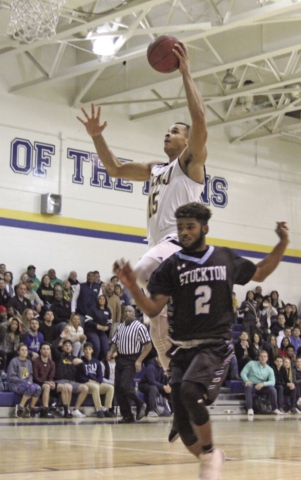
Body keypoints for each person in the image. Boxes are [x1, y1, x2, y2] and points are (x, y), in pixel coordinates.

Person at [114, 202, 289, 479]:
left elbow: (261, 271)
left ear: (204, 228)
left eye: (190, 227)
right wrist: (133, 286)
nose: (184, 232)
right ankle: (212, 456)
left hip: (214, 345)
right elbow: (152, 309)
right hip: (181, 349)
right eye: (180, 227)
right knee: (183, 428)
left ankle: (208, 452)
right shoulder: (171, 266)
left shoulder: (223, 257)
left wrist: (282, 243)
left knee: (190, 392)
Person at [78, 41, 209, 379]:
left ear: (188, 140)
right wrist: (96, 137)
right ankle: (176, 380)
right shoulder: (155, 169)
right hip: (158, 246)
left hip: (178, 245)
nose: (169, 133)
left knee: (140, 270)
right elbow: (116, 169)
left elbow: (199, 118)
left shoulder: (191, 164)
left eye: (176, 131)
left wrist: (186, 73)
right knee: (156, 330)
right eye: (168, 130)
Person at [107, 307, 152, 424]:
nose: (127, 313)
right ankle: (127, 415)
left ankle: (140, 403)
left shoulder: (140, 327)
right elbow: (115, 342)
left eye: (129, 311)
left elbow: (148, 346)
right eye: (125, 311)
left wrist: (139, 360)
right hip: (120, 358)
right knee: (118, 389)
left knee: (125, 385)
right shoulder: (120, 326)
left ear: (134, 314)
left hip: (133, 358)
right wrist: (111, 352)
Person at [54, 339, 90, 418]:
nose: (67, 347)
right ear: (62, 348)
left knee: (85, 388)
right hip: (60, 380)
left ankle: (75, 410)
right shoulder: (59, 356)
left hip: (72, 381)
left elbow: (84, 373)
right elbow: (53, 347)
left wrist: (81, 362)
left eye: (69, 346)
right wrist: (60, 338)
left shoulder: (75, 359)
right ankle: (66, 410)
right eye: (65, 346)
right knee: (68, 387)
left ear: (72, 348)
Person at [78, 342, 115, 417]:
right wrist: (89, 380)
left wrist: (98, 381)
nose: (87, 351)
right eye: (85, 349)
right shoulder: (81, 361)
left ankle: (106, 409)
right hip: (86, 383)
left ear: (92, 350)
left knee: (110, 387)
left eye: (89, 349)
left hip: (96, 383)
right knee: (95, 387)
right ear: (83, 351)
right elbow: (79, 377)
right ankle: (99, 409)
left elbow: (100, 375)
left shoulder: (97, 362)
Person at [7, 343, 42, 418]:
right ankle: (20, 407)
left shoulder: (29, 362)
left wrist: (29, 381)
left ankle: (30, 408)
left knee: (38, 388)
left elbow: (30, 375)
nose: (24, 352)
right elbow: (11, 377)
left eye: (26, 350)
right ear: (18, 352)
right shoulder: (14, 361)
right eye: (22, 350)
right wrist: (25, 382)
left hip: (27, 384)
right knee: (31, 387)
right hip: (14, 384)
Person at [241, 350, 280, 415]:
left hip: (261, 386)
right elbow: (243, 373)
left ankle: (275, 409)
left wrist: (263, 384)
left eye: (265, 356)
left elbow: (273, 382)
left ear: (267, 358)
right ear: (259, 357)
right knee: (248, 386)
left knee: (272, 389)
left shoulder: (269, 369)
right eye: (261, 356)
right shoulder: (251, 363)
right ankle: (250, 409)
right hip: (251, 384)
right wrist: (246, 380)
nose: (263, 358)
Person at [32, 343, 57, 418]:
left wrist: (51, 382)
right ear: (40, 351)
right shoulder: (35, 361)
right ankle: (45, 410)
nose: (46, 351)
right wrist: (46, 382)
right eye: (44, 349)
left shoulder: (52, 363)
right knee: (46, 386)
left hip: (47, 383)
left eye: (48, 349)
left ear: (50, 351)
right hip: (37, 383)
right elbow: (35, 377)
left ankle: (64, 409)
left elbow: (51, 376)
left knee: (63, 387)